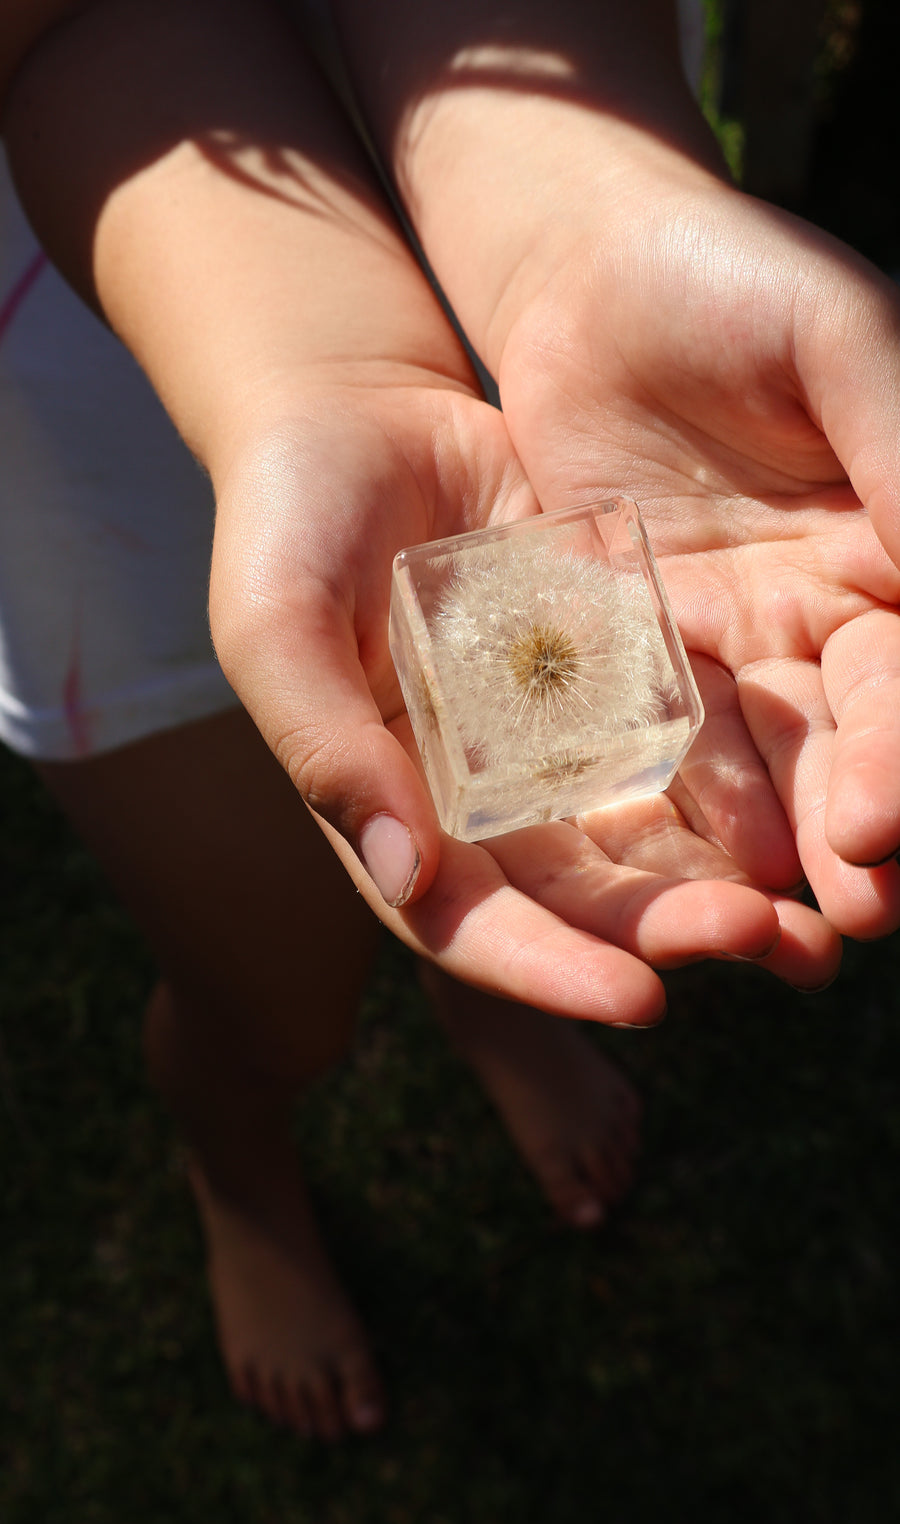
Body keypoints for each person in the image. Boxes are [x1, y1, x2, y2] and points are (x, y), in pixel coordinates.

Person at [1, 0, 897, 1438]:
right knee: (278, 999)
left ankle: (489, 1008)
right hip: (120, 302)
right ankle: (240, 1174)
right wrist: (314, 373)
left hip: (536, 200)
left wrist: (580, 222)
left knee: (484, 846)